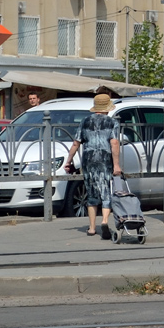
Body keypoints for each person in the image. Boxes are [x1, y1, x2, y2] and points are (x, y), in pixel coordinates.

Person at [61, 94, 123, 238]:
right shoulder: (112, 122)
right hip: (105, 159)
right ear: (107, 108)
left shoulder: (85, 121)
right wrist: (116, 165)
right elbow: (114, 143)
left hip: (88, 160)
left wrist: (68, 161)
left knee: (91, 193)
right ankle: (105, 221)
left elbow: (76, 143)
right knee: (105, 191)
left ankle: (92, 228)